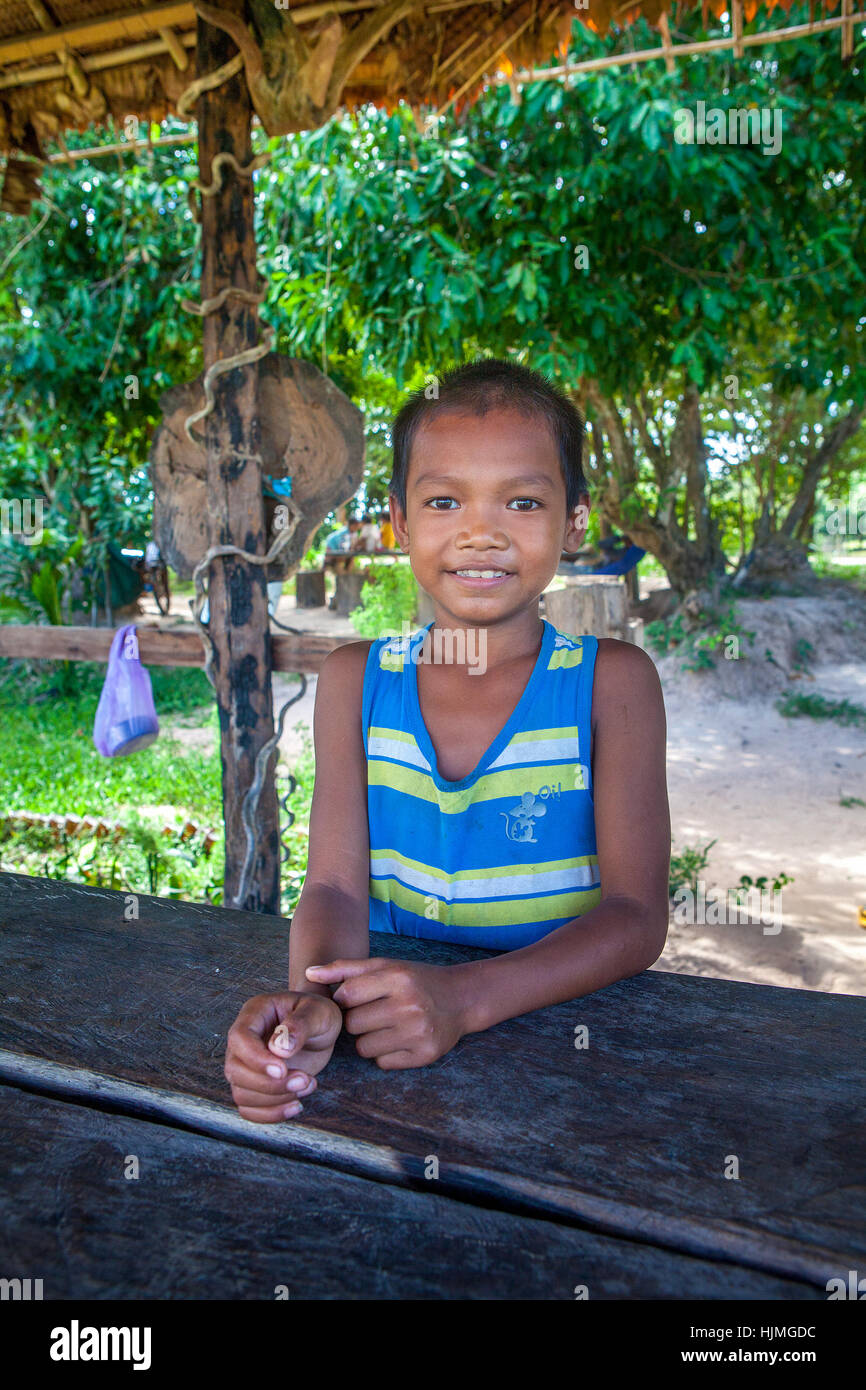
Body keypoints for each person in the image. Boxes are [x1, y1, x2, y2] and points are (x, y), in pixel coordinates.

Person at [224, 357, 670, 1122]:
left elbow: (636, 916)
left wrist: (463, 999)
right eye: (444, 500)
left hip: (568, 1057)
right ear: (400, 521)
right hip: (388, 1052)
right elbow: (333, 887)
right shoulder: (356, 681)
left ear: (574, 523)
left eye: (522, 501)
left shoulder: (610, 684)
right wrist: (312, 1007)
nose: (481, 532)